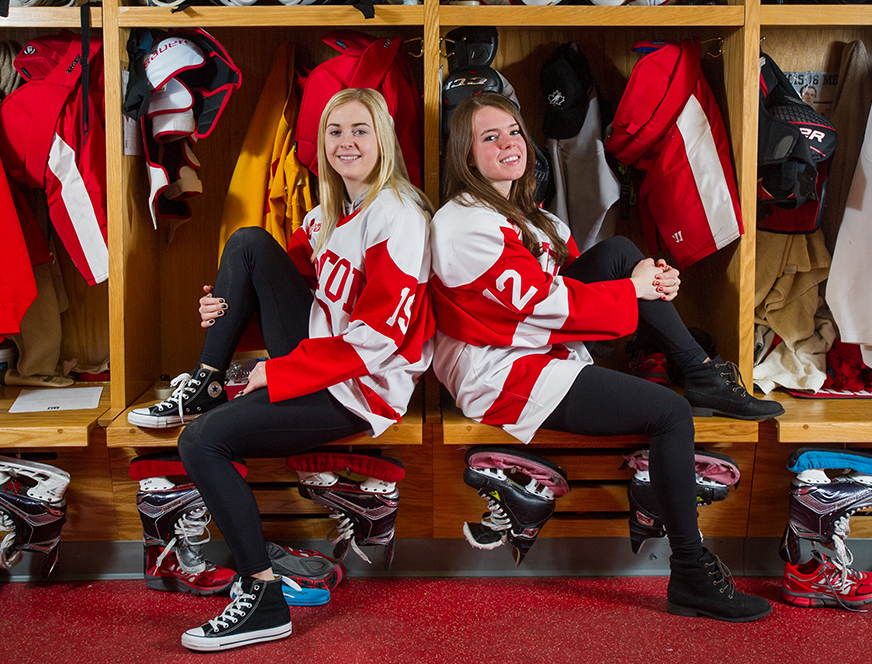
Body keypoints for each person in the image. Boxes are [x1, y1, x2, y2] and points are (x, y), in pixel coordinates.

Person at [432, 92, 781, 622]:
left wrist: (654, 283)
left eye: (514, 131)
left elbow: (589, 279)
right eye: (490, 136)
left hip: (538, 346)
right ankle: (689, 572)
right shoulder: (463, 224)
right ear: (466, 154)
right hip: (500, 370)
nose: (509, 143)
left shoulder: (531, 214)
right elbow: (541, 304)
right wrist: (633, 292)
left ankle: (701, 373)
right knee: (671, 413)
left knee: (620, 253)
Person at [128, 88, 434, 651]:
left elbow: (379, 339)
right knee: (246, 244)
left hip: (360, 389)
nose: (346, 143)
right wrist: (222, 311)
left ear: (384, 139)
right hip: (319, 360)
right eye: (335, 131)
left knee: (201, 443)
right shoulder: (327, 215)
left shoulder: (400, 217)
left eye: (360, 130)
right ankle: (205, 382)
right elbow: (276, 288)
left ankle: (262, 598)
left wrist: (283, 372)